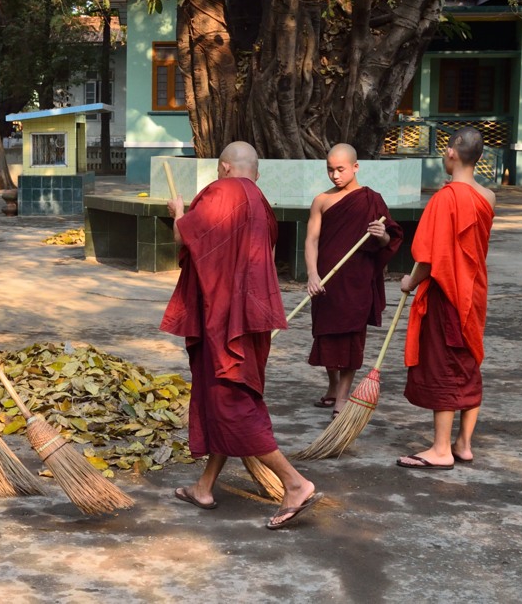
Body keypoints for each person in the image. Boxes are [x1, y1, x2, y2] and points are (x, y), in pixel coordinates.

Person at [162, 141, 322, 530]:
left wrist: (178, 214)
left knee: (230, 403)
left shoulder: (222, 191)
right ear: (257, 172)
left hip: (224, 318)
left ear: (223, 167)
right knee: (229, 396)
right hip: (251, 319)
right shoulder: (261, 203)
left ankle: (295, 483)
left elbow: (187, 239)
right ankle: (204, 487)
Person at [397, 127, 495, 470]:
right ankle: (463, 444)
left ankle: (441, 449)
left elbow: (430, 257)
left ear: (452, 152)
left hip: (448, 293)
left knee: (444, 365)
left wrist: (410, 281)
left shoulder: (445, 198)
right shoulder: (488, 196)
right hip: (474, 291)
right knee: (467, 361)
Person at [305, 143, 402, 418]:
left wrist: (380, 234)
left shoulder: (371, 199)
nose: (334, 175)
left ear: (355, 167)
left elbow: (389, 240)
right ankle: (334, 385)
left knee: (350, 338)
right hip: (326, 280)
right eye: (330, 169)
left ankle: (343, 397)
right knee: (325, 335)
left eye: (340, 169)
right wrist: (312, 273)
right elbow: (311, 239)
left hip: (357, 280)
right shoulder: (321, 200)